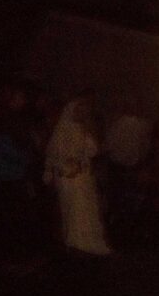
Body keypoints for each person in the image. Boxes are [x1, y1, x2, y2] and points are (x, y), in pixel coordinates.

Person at [43, 94, 113, 256]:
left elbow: (93, 150)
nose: (80, 114)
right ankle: (73, 240)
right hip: (67, 177)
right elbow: (53, 155)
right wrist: (63, 166)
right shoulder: (61, 131)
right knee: (71, 208)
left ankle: (84, 240)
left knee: (84, 209)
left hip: (82, 176)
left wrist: (88, 134)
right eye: (78, 111)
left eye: (83, 111)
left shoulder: (82, 131)